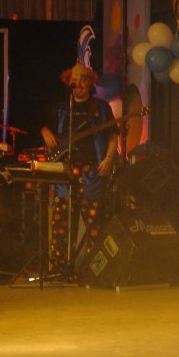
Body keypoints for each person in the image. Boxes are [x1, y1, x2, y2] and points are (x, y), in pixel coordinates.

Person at [40, 63, 119, 277]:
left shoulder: (100, 107)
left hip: (91, 172)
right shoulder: (61, 108)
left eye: (83, 79)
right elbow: (45, 126)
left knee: (95, 224)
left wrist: (109, 158)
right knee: (61, 223)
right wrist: (45, 131)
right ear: (69, 82)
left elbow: (113, 135)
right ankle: (59, 269)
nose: (79, 83)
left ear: (91, 83)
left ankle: (96, 271)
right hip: (64, 172)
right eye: (74, 79)